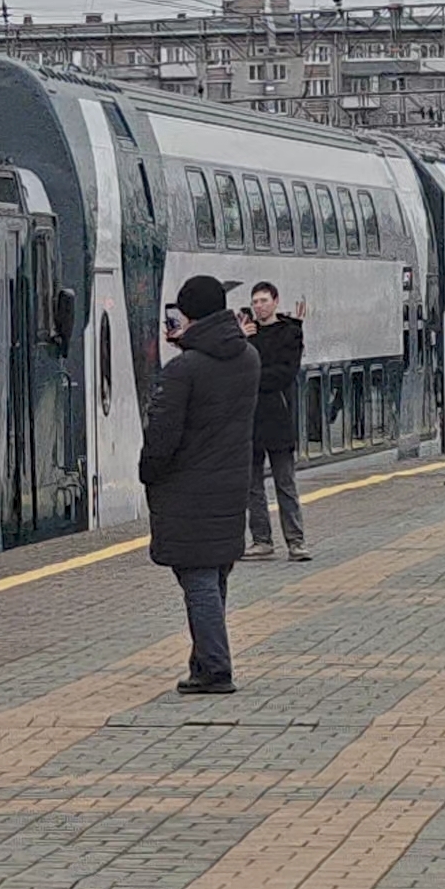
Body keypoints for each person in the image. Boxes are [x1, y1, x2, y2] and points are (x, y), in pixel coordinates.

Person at [141, 274, 261, 696]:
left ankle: (214, 668)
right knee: (214, 577)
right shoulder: (248, 358)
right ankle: (202, 662)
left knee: (197, 579)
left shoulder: (183, 370)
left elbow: (162, 437)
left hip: (188, 491)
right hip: (230, 486)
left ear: (188, 313)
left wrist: (148, 472)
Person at [240, 282, 310, 562]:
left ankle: (296, 541)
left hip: (278, 418)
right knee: (252, 485)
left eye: (264, 300)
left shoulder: (290, 333)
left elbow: (285, 373)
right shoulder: (246, 336)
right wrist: (240, 341)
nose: (259, 306)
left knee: (285, 483)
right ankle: (261, 540)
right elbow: (234, 371)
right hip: (250, 421)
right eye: (255, 302)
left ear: (276, 301)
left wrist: (253, 376)